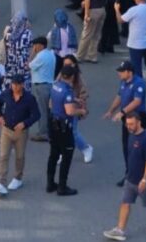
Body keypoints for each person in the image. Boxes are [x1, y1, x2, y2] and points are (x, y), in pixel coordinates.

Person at [103, 112, 146, 240]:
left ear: (139, 122)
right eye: (127, 124)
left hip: (143, 182)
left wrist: (145, 179)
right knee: (125, 203)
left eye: (131, 124)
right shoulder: (131, 135)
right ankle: (120, 230)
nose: (129, 126)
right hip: (130, 179)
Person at [0, 72, 39, 196]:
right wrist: (0, 116)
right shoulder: (6, 94)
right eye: (13, 84)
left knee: (19, 156)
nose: (15, 87)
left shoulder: (29, 98)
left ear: (22, 85)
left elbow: (36, 115)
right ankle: (1, 182)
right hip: (6, 130)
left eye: (17, 84)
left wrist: (25, 123)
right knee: (3, 156)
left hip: (21, 132)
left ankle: (18, 178)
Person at [47, 64, 81, 196]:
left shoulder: (55, 86)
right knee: (67, 156)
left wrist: (74, 100)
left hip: (53, 123)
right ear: (72, 77)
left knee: (53, 154)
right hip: (63, 127)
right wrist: (81, 111)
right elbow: (70, 111)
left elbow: (51, 103)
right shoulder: (67, 91)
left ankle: (50, 183)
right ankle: (62, 186)